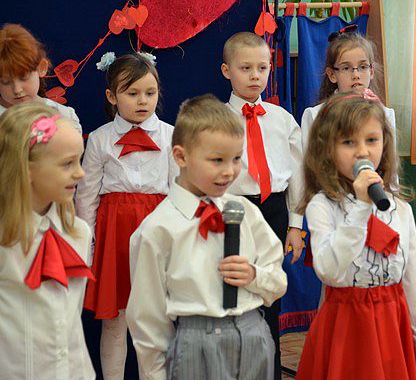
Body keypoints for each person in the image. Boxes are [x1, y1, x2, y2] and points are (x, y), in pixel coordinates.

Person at [126, 94, 287, 380]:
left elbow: (277, 282)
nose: (229, 171)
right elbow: (147, 319)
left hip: (253, 334)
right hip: (196, 343)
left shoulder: (245, 212)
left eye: (236, 159)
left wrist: (254, 275)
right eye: (217, 160)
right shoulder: (158, 228)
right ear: (181, 156)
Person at [296, 93, 416, 380]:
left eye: (372, 140)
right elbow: (329, 271)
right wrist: (361, 209)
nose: (362, 152)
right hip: (345, 328)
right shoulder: (322, 206)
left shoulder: (399, 208)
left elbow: (414, 278)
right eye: (348, 142)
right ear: (327, 149)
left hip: (390, 328)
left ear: (385, 144)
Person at [75, 53, 177, 380]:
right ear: (112, 96)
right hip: (114, 237)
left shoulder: (171, 136)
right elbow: (86, 197)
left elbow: (180, 193)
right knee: (115, 321)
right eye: (132, 93)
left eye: (150, 92)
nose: (142, 101)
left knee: (154, 322)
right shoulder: (100, 139)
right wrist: (87, 247)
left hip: (156, 234)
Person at [221, 31, 304, 379]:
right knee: (231, 296)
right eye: (245, 68)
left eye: (262, 68)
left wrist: (295, 225)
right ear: (227, 71)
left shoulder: (282, 119)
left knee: (269, 295)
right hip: (232, 213)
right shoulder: (215, 119)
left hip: (274, 211)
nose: (255, 76)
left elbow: (298, 175)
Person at [0, 103, 94, 379]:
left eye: (79, 160)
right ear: (26, 168)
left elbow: (71, 320)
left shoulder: (78, 233)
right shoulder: (5, 241)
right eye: (67, 163)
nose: (80, 173)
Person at [299, 28, 395, 149]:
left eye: (363, 67)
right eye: (346, 68)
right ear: (332, 74)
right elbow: (310, 159)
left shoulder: (386, 114)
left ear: (371, 72)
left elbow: (389, 158)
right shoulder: (315, 116)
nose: (356, 75)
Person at [0, 23, 81, 132]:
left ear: (41, 68)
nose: (17, 89)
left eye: (24, 77)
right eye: (5, 81)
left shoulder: (63, 116)